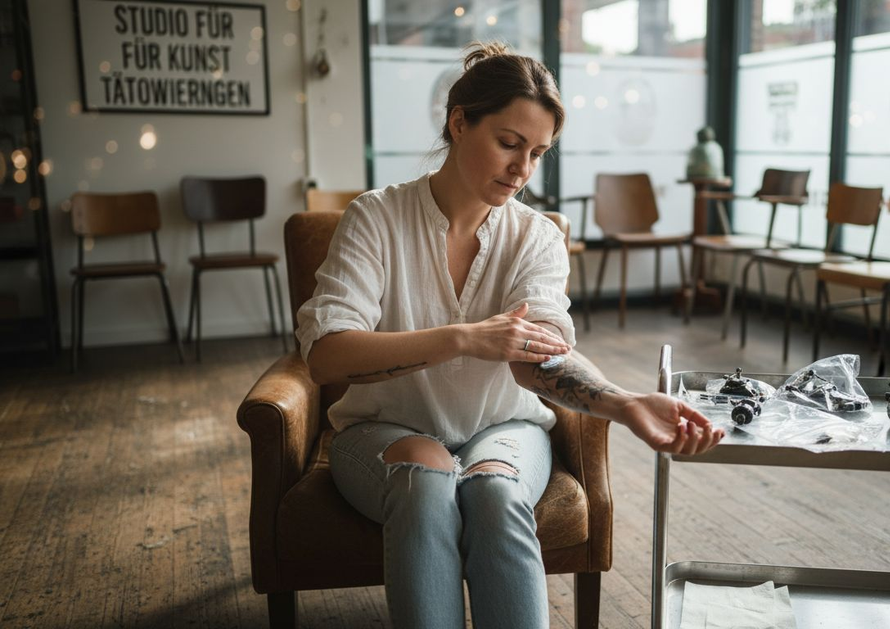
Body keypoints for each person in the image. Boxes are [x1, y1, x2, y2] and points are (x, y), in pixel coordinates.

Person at [296, 42, 723, 629]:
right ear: (459, 121)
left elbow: (537, 360)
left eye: (539, 152)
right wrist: (463, 338)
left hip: (505, 425)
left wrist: (623, 404)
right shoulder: (375, 218)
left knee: (495, 495)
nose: (523, 169)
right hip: (380, 429)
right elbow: (326, 358)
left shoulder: (537, 237)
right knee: (425, 485)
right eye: (509, 143)